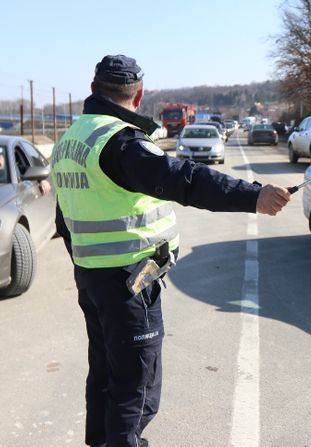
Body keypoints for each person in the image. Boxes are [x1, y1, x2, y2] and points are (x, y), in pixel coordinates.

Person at [51, 55, 290, 447]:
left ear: (93, 90)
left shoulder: (70, 141)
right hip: (128, 284)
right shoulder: (120, 142)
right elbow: (186, 179)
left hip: (91, 278)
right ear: (139, 95)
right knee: (135, 390)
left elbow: (65, 219)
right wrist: (255, 196)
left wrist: (87, 263)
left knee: (105, 377)